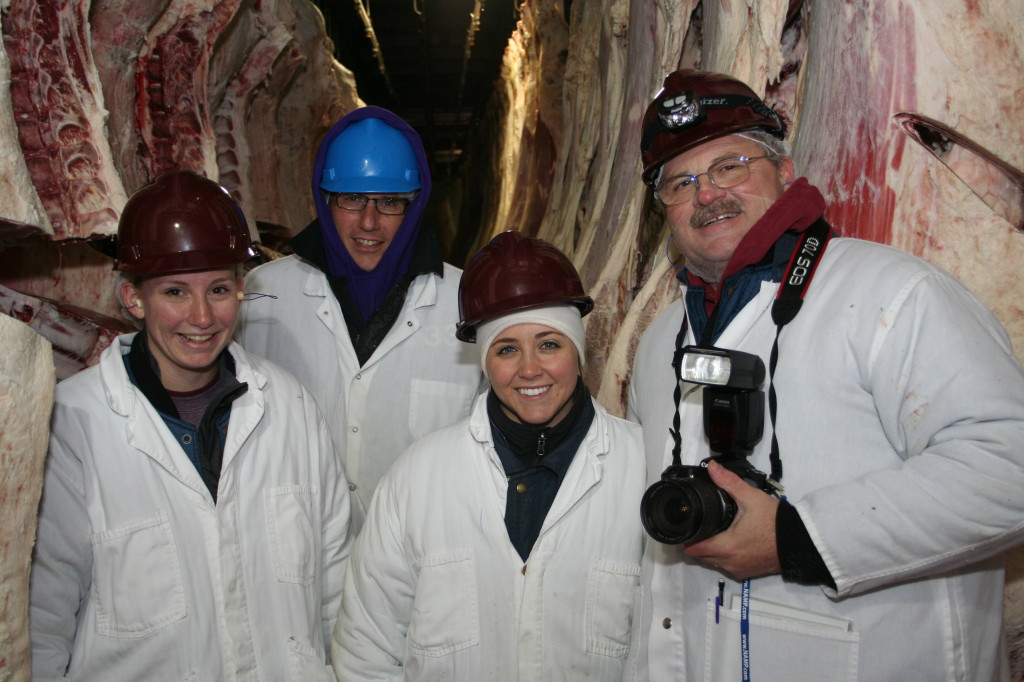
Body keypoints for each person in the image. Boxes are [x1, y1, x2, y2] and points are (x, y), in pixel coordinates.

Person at [625, 69, 1024, 681]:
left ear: (785, 172)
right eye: (681, 182)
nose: (706, 194)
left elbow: (1009, 466)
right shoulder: (659, 343)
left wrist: (797, 536)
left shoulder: (896, 293)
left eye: (730, 165)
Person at [30, 171, 350, 681]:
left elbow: (335, 588)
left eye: (219, 289)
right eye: (175, 292)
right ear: (133, 299)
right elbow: (42, 621)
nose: (201, 316)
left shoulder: (290, 406)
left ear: (241, 289)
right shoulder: (74, 424)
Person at [331, 231, 647, 680]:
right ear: (484, 362)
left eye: (550, 344)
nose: (530, 368)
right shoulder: (418, 478)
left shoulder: (642, 469)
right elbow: (366, 651)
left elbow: (669, 648)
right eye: (506, 349)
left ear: (578, 351)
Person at [237, 106, 483, 536]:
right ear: (325, 198)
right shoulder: (264, 296)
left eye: (389, 202)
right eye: (352, 199)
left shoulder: (464, 303)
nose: (369, 223)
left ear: (414, 204)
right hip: (294, 553)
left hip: (418, 562)